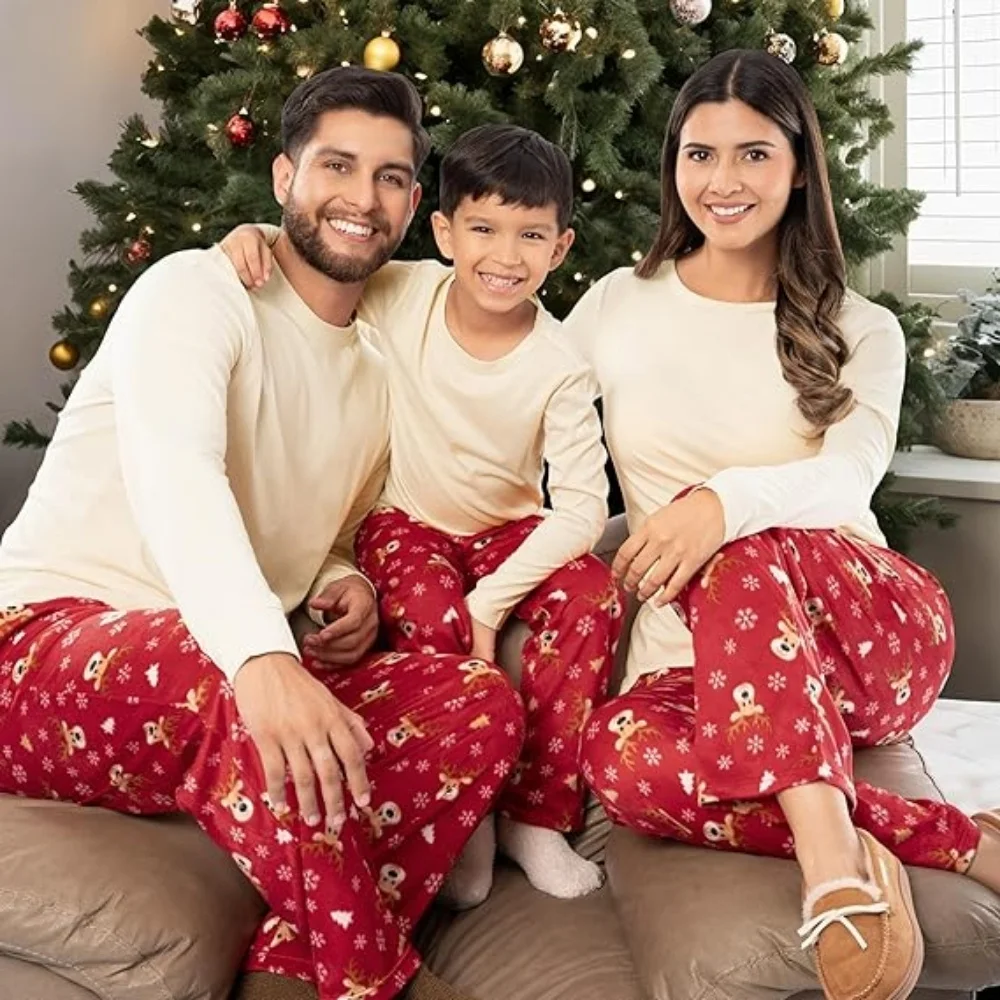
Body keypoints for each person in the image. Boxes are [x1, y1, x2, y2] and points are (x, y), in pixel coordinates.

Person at [0, 67, 525, 1000]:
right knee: (228, 679)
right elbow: (180, 475)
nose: (362, 199)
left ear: (412, 203)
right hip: (38, 648)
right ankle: (378, 976)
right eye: (337, 166)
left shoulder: (373, 375)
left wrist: (342, 579)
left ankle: (293, 959)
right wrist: (260, 658)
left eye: (392, 177)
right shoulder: (194, 292)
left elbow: (315, 521)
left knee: (479, 701)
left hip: (228, 667)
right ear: (284, 178)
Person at [561, 49, 1000, 1000]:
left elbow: (848, 477)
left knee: (737, 553)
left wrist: (716, 505)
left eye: (755, 154)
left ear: (801, 166)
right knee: (620, 762)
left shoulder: (863, 328)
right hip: (692, 672)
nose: (724, 182)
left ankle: (835, 878)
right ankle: (953, 840)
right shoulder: (615, 308)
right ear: (673, 165)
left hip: (866, 632)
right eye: (700, 154)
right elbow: (486, 378)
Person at [221, 123, 622, 904]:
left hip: (508, 532)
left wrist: (494, 599)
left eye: (531, 236)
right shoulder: (403, 291)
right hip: (407, 521)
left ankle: (534, 817)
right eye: (483, 229)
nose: (506, 257)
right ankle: (461, 820)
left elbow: (582, 508)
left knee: (589, 596)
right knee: (429, 616)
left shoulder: (563, 361)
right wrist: (253, 234)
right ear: (443, 232)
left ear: (562, 248)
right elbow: (317, 252)